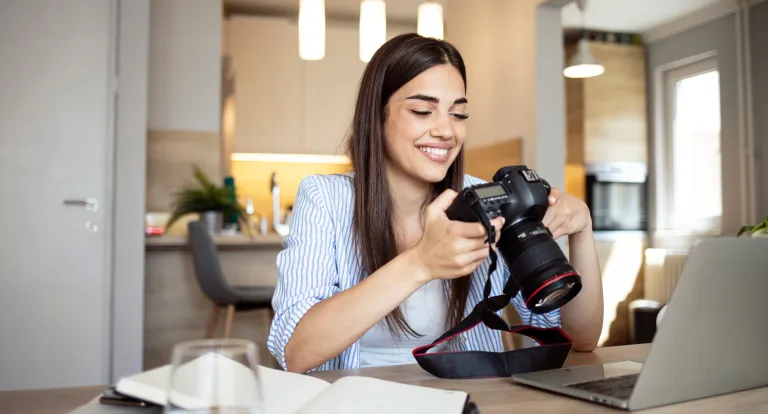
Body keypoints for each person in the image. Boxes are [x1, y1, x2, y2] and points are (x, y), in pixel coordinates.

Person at [267, 33, 604, 374]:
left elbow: (581, 339)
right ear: (377, 115)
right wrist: (420, 263)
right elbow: (295, 351)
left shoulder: (486, 200)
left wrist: (583, 230)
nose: (447, 130)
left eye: (458, 114)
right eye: (423, 111)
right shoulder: (326, 199)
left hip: (465, 400)